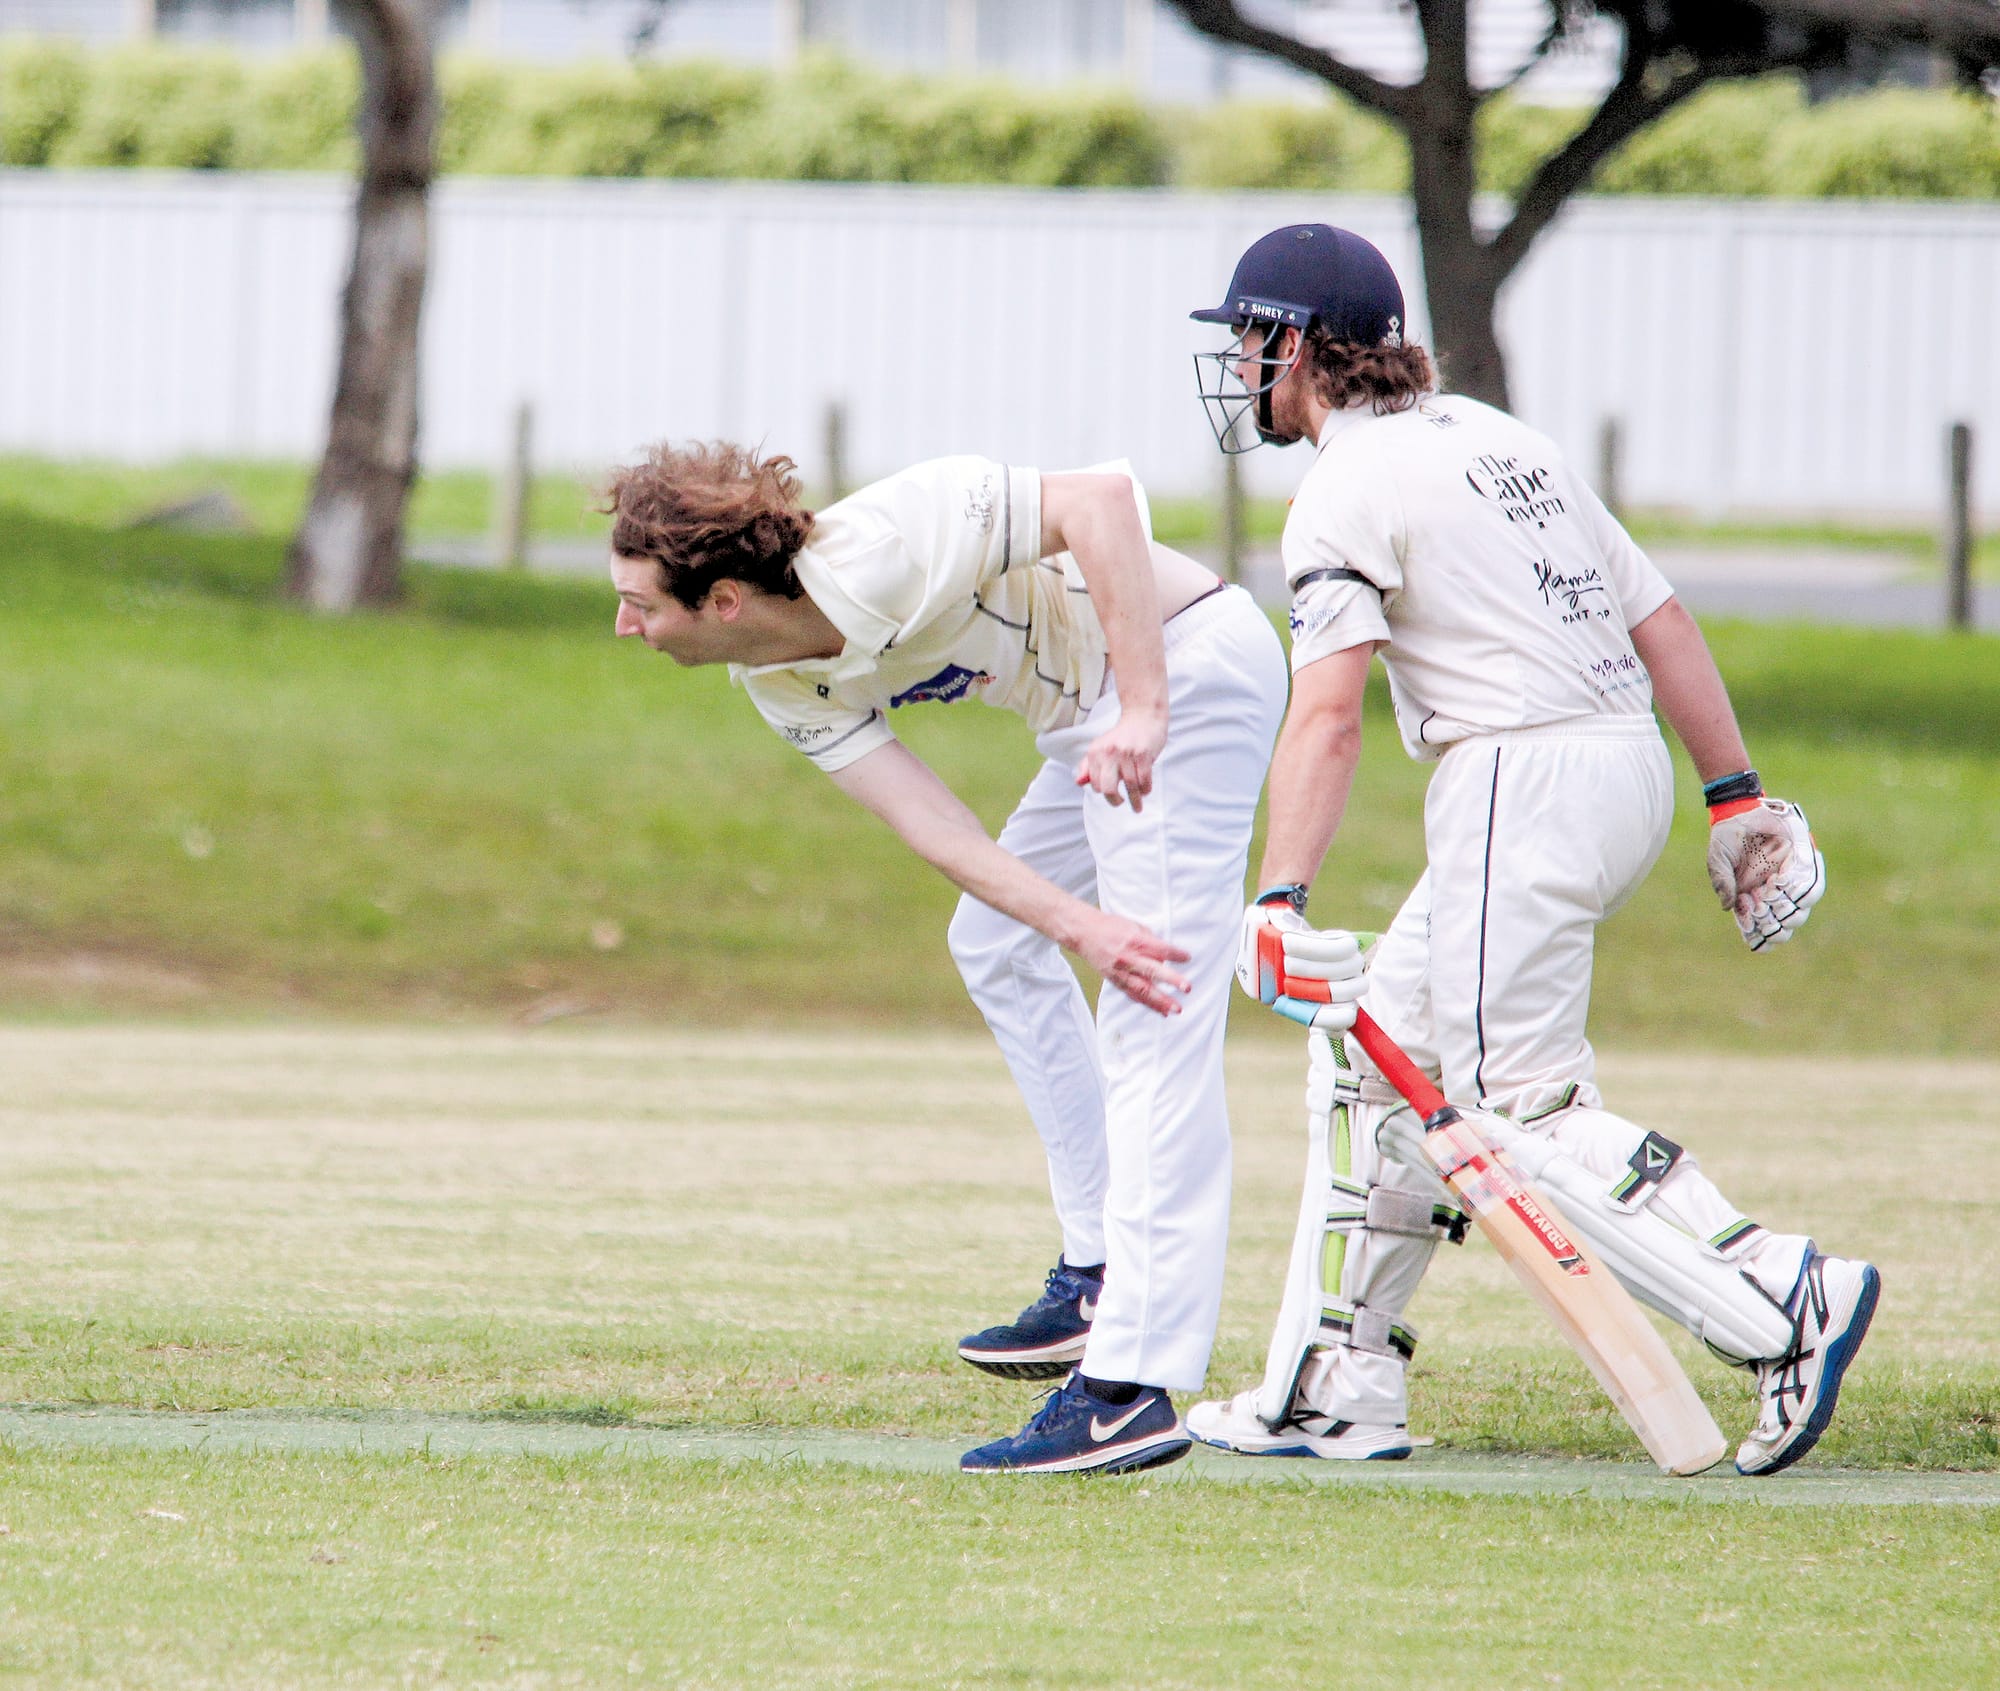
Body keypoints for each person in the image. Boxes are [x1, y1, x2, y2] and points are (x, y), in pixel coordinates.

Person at [1180, 224, 1877, 1476]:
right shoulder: (1503, 439)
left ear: (1294, 343)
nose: (1238, 366)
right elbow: (1656, 615)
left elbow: (1327, 711)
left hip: (1518, 773)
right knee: (1375, 1067)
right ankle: (1338, 1383)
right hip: (1617, 767)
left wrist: (1276, 896)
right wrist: (1732, 794)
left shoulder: (1339, 486)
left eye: (1245, 338)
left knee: (1520, 1109)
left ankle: (1783, 1290)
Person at [603, 442, 1286, 1473]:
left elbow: (1099, 501)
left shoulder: (885, 542)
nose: (624, 625)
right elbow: (938, 830)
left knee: (1152, 1012)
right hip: (1088, 717)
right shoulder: (778, 681)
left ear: (725, 598)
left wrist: (1145, 707)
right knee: (996, 936)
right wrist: (1076, 922)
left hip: (1180, 665)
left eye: (639, 603)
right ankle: (1099, 1267)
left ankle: (1127, 1387)